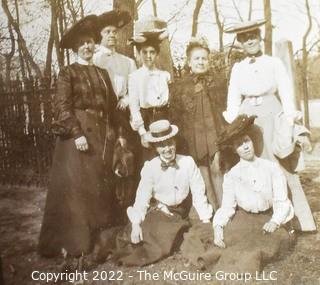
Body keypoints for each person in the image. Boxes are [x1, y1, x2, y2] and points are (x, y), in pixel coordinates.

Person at [38, 15, 127, 258]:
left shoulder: (102, 73)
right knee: (79, 191)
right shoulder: (68, 72)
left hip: (102, 135)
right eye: (83, 43)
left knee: (101, 186)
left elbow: (111, 108)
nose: (87, 46)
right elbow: (62, 107)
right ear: (76, 47)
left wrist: (119, 135)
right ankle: (78, 243)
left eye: (90, 42)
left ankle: (101, 241)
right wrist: (76, 132)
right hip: (77, 137)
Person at [223, 19, 316, 231]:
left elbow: (286, 92)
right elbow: (233, 98)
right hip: (248, 117)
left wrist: (290, 118)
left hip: (272, 114)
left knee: (279, 163)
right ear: (240, 41)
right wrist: (234, 123)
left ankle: (295, 220)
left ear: (259, 37)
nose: (249, 41)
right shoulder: (238, 68)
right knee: (254, 164)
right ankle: (262, 218)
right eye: (244, 38)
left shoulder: (273, 63)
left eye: (253, 36)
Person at [181, 114, 295, 273]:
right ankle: (216, 256)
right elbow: (228, 207)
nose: (245, 147)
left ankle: (241, 262)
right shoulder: (232, 175)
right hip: (244, 219)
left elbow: (281, 200)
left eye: (247, 141)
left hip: (267, 218)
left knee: (262, 244)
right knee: (227, 241)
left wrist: (275, 221)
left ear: (252, 141)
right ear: (235, 150)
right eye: (239, 145)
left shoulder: (271, 168)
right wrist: (219, 227)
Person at [93, 120, 213, 266]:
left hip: (180, 212)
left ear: (175, 142)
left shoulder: (187, 162)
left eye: (170, 143)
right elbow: (142, 198)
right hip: (160, 211)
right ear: (156, 148)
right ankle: (111, 243)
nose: (167, 149)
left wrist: (205, 219)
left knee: (169, 236)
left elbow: (198, 191)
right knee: (144, 234)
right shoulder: (151, 168)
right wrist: (136, 224)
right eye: (161, 145)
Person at [170, 37, 227, 210]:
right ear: (189, 61)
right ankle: (213, 210)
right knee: (202, 174)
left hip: (215, 133)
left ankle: (225, 209)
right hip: (194, 136)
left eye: (204, 58)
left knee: (218, 168)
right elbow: (176, 115)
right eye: (196, 59)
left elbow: (225, 109)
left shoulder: (219, 82)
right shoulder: (180, 86)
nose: (201, 62)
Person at [128, 30, 171, 154]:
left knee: (166, 152)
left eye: (152, 52)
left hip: (164, 117)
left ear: (157, 54)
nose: (148, 56)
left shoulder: (165, 75)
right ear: (139, 54)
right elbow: (134, 107)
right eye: (144, 52)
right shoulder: (135, 77)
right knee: (150, 155)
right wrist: (142, 132)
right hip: (146, 120)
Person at [93, 10, 136, 110]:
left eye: (115, 32)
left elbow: (135, 89)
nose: (112, 35)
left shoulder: (128, 62)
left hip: (121, 110)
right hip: (99, 111)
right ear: (100, 35)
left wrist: (126, 101)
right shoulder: (94, 59)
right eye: (107, 32)